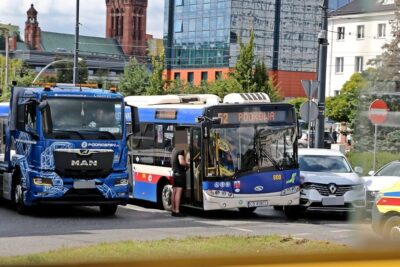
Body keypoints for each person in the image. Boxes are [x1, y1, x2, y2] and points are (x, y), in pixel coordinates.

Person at [171, 146, 189, 217]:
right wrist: (187, 164)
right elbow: (181, 162)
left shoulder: (174, 149)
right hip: (180, 173)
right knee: (178, 191)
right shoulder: (180, 150)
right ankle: (177, 211)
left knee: (174, 191)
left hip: (174, 173)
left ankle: (173, 210)